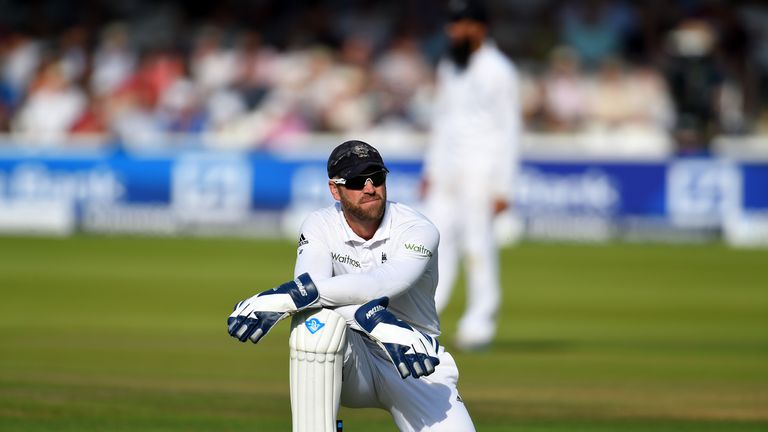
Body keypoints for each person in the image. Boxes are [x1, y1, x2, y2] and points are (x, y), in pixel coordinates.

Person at [227, 140, 475, 432]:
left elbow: (381, 284)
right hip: (352, 357)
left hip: (413, 355)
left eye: (377, 178)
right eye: (357, 181)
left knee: (309, 304)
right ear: (335, 189)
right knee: (314, 326)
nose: (370, 188)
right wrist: (372, 321)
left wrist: (285, 297)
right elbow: (312, 297)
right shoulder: (319, 224)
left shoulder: (418, 229)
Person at [421, 0, 521, 351]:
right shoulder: (450, 65)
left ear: (479, 27)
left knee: (478, 246)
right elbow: (441, 120)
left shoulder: (499, 70)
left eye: (460, 24)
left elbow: (509, 130)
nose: (453, 32)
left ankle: (480, 322)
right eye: (451, 25)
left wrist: (503, 185)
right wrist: (430, 169)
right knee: (431, 243)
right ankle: (424, 315)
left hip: (481, 170)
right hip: (447, 168)